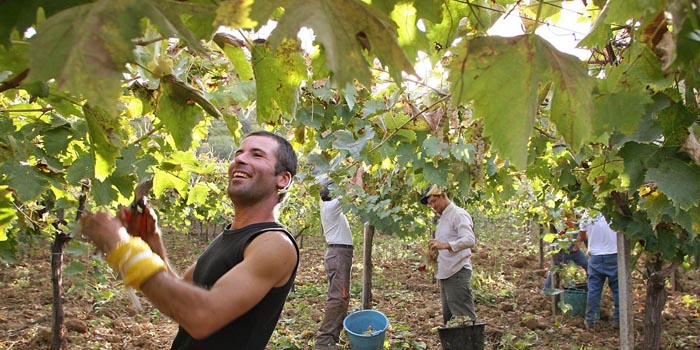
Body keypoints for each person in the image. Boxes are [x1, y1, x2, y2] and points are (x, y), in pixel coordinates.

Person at [80, 131, 300, 349]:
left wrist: (122, 248)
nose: (240, 159)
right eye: (239, 153)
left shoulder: (275, 244)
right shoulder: (231, 235)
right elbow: (181, 297)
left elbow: (202, 316)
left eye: (257, 155)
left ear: (283, 179)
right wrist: (151, 242)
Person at [420, 185, 477, 324]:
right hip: (446, 275)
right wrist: (429, 261)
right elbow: (443, 247)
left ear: (444, 196)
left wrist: (445, 245)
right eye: (430, 204)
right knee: (450, 319)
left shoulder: (458, 214)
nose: (432, 206)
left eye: (434, 201)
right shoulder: (443, 218)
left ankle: (470, 343)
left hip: (456, 273)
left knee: (463, 318)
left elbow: (470, 240)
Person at [315, 181, 354, 350]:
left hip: (339, 254)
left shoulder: (329, 206)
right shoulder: (331, 206)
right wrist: (358, 172)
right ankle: (324, 341)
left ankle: (332, 338)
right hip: (338, 255)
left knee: (341, 297)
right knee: (338, 297)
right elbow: (354, 193)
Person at [579, 211, 619, 329]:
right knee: (618, 290)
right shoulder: (615, 211)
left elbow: (581, 236)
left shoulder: (588, 214)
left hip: (595, 257)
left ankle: (591, 321)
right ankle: (619, 321)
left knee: (594, 290)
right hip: (614, 256)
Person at [543, 214, 588, 293]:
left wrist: (580, 244)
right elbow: (557, 236)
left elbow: (583, 235)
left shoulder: (581, 222)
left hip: (575, 251)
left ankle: (591, 287)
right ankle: (546, 289)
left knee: (587, 266)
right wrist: (566, 228)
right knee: (556, 269)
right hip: (563, 251)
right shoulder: (562, 222)